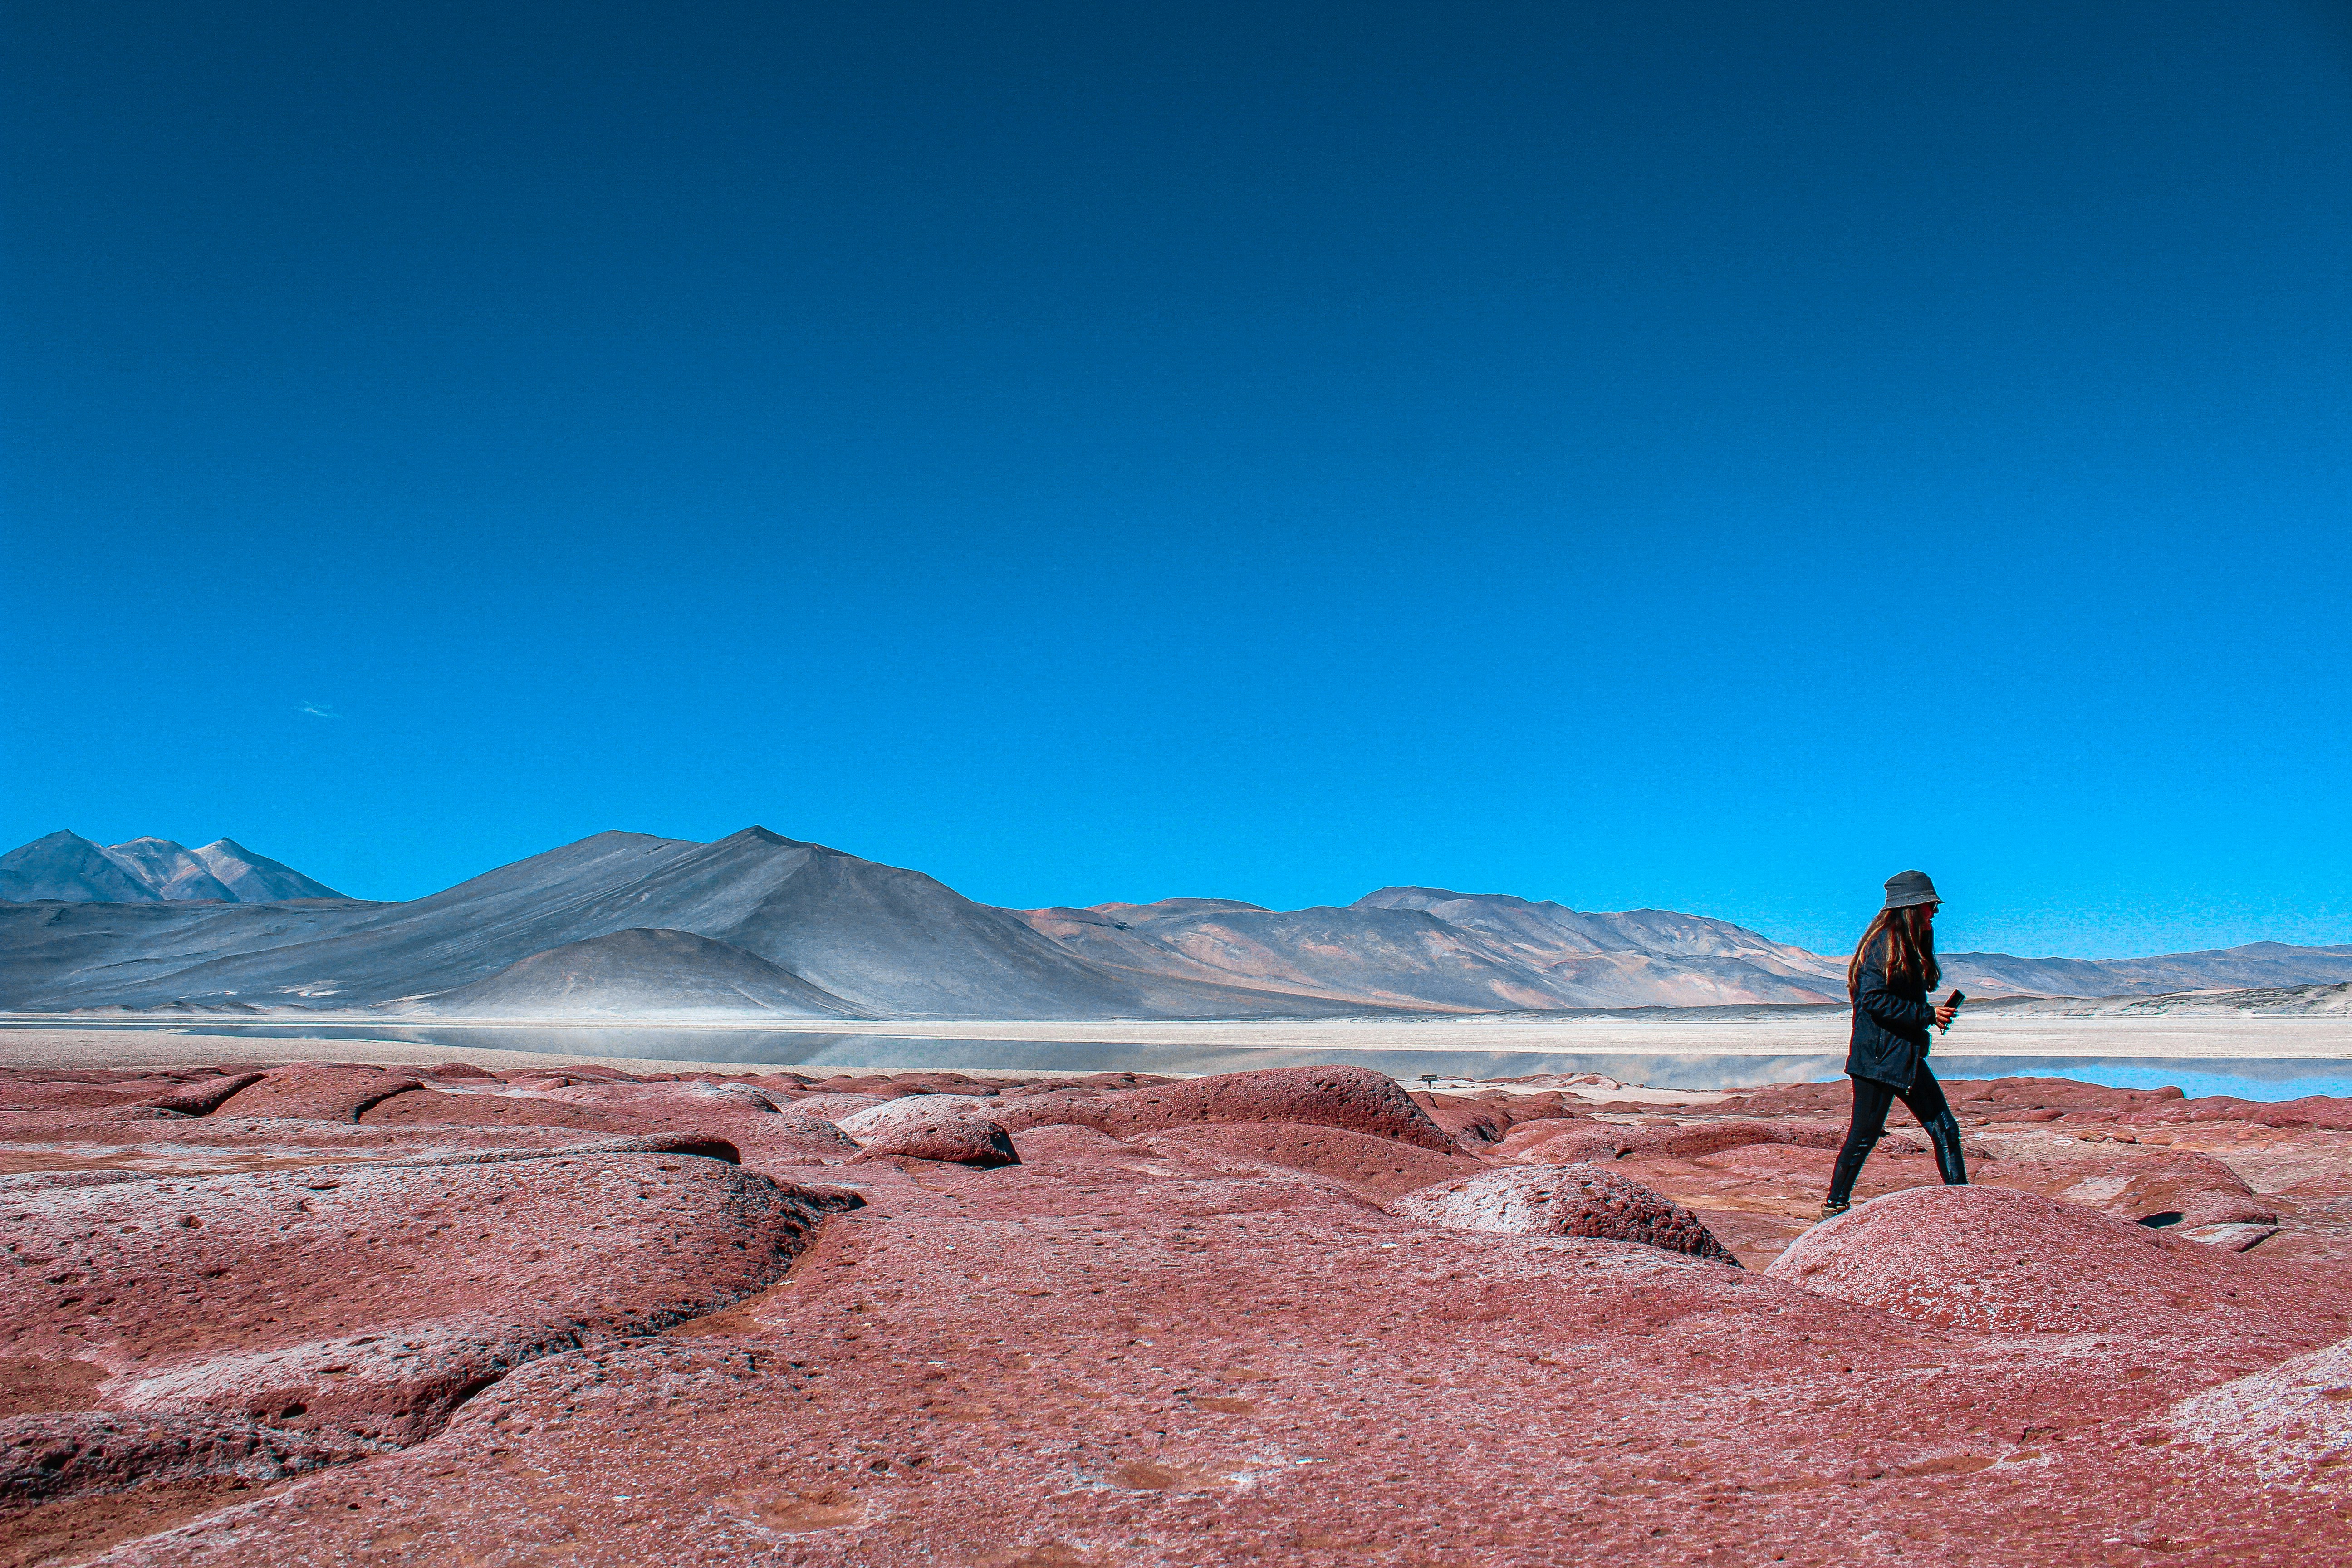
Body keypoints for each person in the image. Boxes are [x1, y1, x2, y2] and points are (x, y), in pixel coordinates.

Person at [1819, 869, 1969, 1220]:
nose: (1935, 911)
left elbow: (1912, 992)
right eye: (1931, 905)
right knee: (1864, 1135)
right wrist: (1927, 1015)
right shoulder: (1882, 945)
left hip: (1903, 1055)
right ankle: (1834, 1205)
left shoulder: (1907, 944)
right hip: (1877, 1060)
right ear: (1912, 906)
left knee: (1944, 1127)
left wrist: (1927, 1012)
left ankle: (1965, 1204)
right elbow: (1874, 1001)